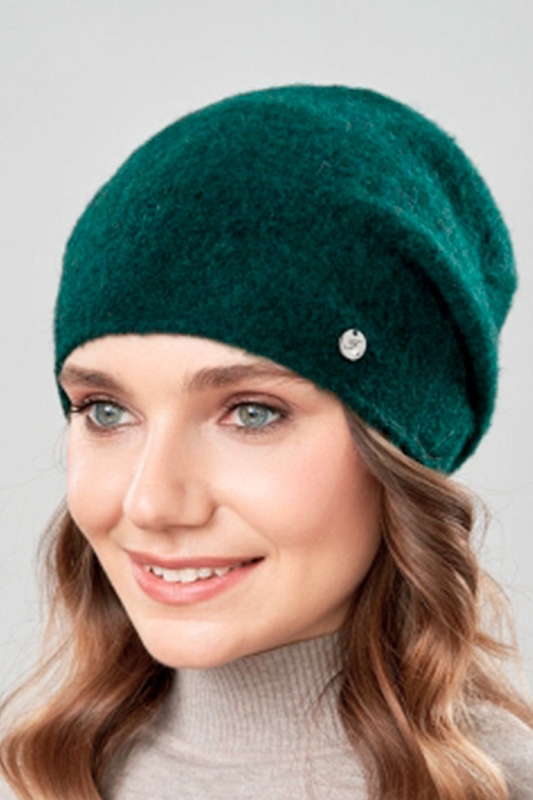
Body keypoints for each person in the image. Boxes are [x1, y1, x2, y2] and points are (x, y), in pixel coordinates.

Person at [1, 84, 532, 800]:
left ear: (401, 451)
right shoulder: (31, 780)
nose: (152, 502)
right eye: (105, 411)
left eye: (251, 413)